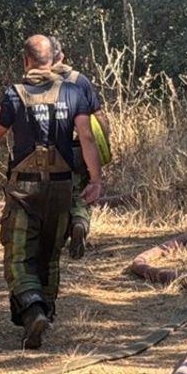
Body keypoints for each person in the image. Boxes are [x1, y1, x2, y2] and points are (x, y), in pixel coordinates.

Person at [0, 35, 102, 349]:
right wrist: (95, 179)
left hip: (24, 190)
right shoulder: (73, 91)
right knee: (50, 256)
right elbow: (87, 137)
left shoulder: (14, 95)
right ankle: (47, 311)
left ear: (26, 61)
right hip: (62, 187)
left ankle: (33, 311)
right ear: (53, 60)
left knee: (19, 257)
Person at [48, 36, 112, 259]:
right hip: (79, 149)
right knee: (81, 192)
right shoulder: (79, 80)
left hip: (49, 150)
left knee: (51, 192)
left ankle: (57, 235)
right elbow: (98, 117)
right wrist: (104, 145)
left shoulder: (36, 82)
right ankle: (80, 222)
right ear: (62, 56)